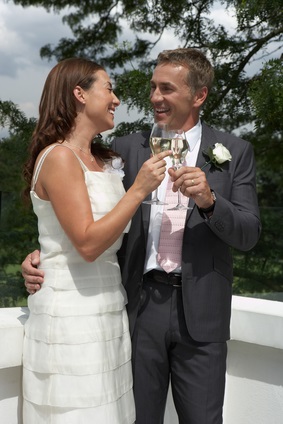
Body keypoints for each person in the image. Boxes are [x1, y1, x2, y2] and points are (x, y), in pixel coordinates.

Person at [22, 49, 261, 424]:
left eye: (166, 89)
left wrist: (211, 201)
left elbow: (249, 234)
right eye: (153, 87)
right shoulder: (123, 150)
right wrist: (42, 254)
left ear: (198, 96)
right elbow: (80, 213)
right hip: (137, 308)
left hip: (202, 316)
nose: (154, 98)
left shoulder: (235, 152)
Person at [21, 57, 170, 424]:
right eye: (108, 88)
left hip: (108, 308)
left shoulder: (105, 160)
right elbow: (87, 245)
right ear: (79, 95)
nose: (116, 99)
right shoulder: (58, 157)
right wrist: (138, 190)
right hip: (72, 316)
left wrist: (44, 249)